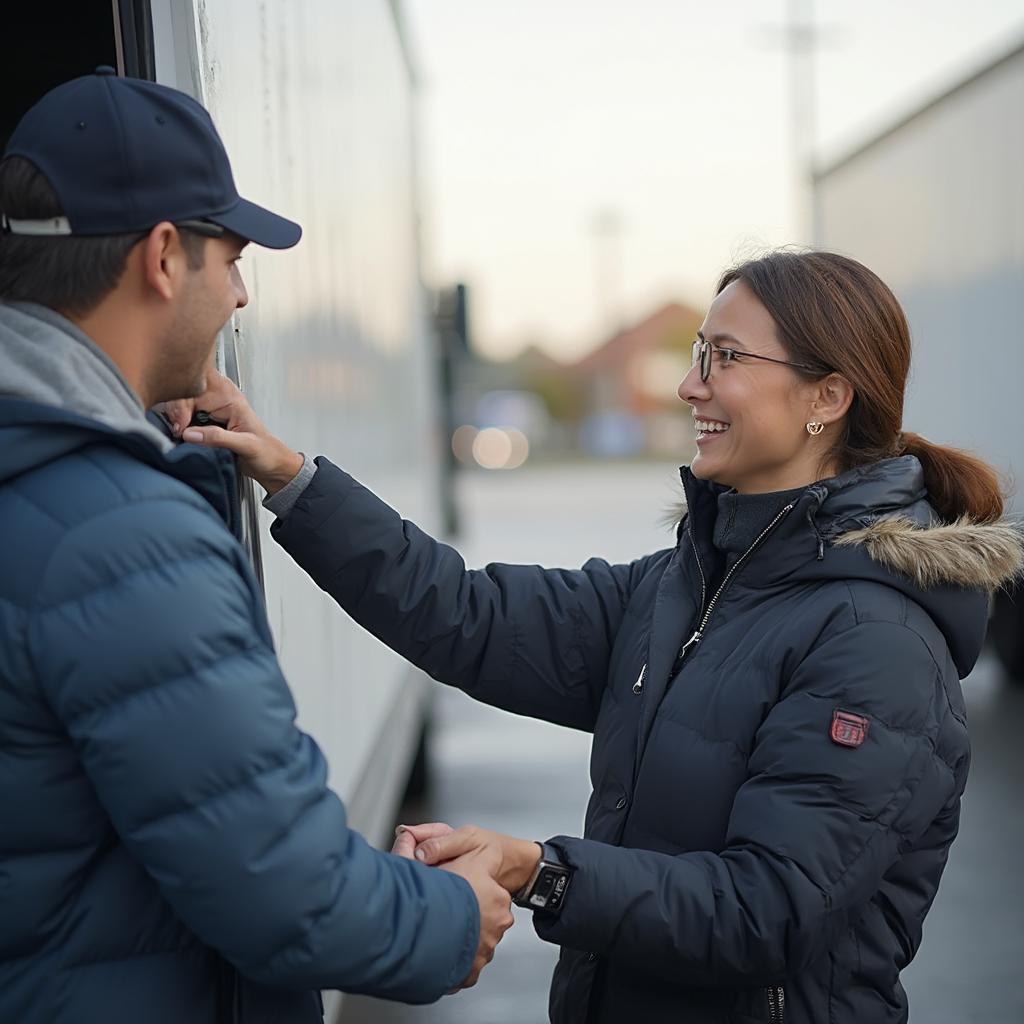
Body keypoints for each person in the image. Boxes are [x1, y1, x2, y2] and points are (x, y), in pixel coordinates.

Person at [174, 251, 1022, 1024]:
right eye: (698, 353)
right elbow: (465, 615)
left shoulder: (876, 641)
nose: (691, 386)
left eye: (726, 357)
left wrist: (539, 870)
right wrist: (291, 476)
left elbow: (764, 911)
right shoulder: (680, 585)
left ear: (827, 399)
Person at [0, 69, 514, 1024]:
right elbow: (288, 890)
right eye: (230, 257)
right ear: (162, 257)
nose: (239, 295)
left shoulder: (44, 474)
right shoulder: (120, 533)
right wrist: (453, 914)